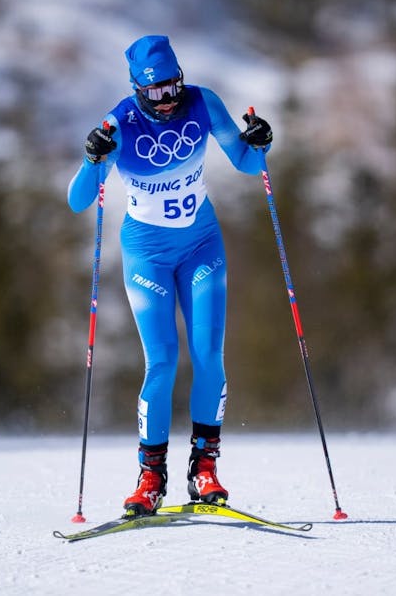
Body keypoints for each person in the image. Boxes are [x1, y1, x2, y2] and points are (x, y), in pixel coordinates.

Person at [67, 35, 273, 517]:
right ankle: (150, 477)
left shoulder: (202, 102)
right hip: (148, 255)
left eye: (173, 86)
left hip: (202, 244)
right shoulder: (120, 125)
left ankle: (204, 470)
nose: (168, 99)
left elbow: (247, 162)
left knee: (208, 356)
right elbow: (79, 200)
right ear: (138, 88)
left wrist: (260, 140)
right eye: (156, 91)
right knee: (161, 361)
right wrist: (91, 158)